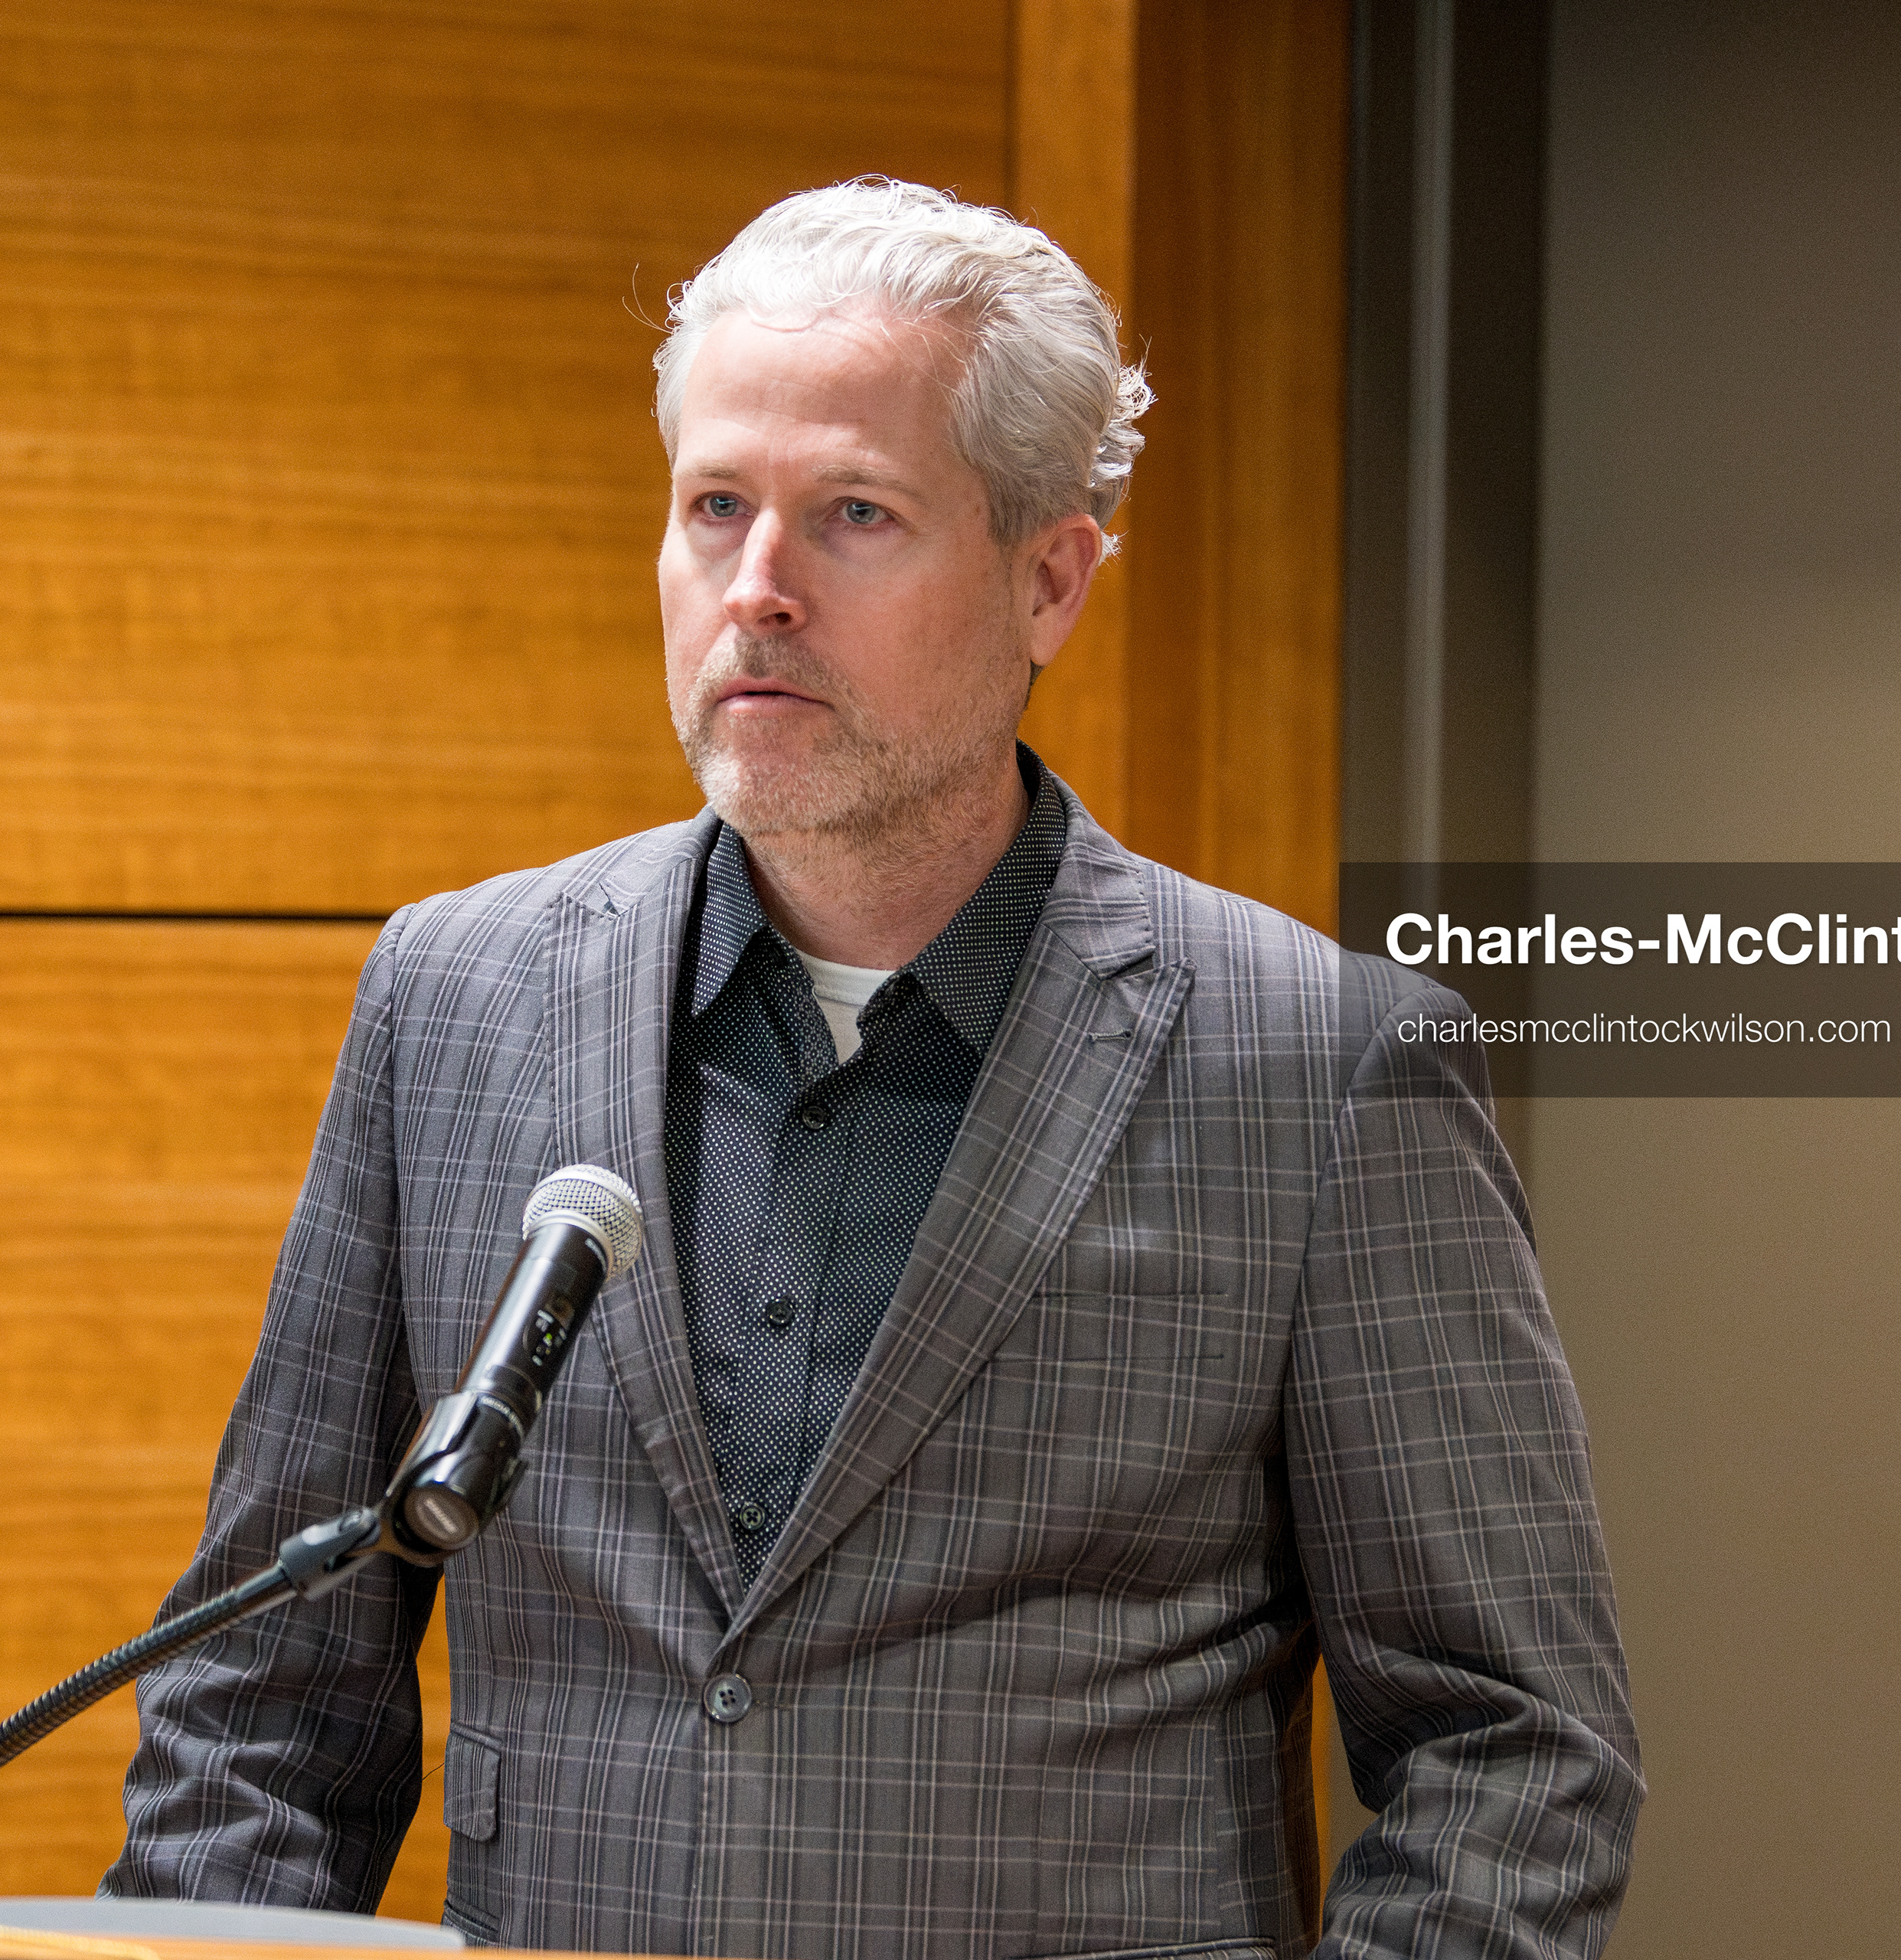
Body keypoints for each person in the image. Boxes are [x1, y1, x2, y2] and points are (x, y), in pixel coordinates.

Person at [108, 178, 1639, 1960]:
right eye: (714, 506)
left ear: (1050, 578)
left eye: (854, 514)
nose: (757, 591)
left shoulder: (1321, 1064)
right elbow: (265, 1700)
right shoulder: (453, 999)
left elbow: (1510, 1753)